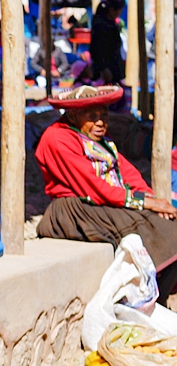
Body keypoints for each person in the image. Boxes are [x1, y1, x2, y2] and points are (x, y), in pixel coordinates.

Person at [36, 85, 177, 302]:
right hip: (77, 209)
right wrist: (146, 204)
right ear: (73, 116)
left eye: (103, 115)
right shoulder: (57, 138)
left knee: (166, 223)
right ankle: (154, 301)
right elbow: (91, 186)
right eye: (92, 116)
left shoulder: (102, 141)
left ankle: (157, 297)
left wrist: (151, 199)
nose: (100, 122)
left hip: (105, 201)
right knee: (159, 231)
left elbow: (127, 173)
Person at [90, 0, 126, 83]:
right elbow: (95, 49)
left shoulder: (112, 24)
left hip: (113, 66)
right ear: (111, 10)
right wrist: (103, 69)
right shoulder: (101, 26)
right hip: (106, 69)